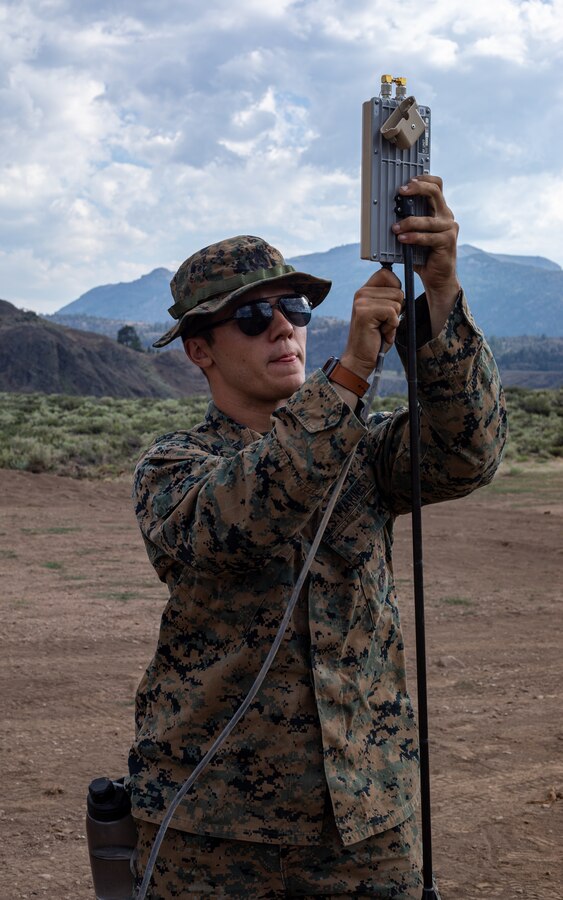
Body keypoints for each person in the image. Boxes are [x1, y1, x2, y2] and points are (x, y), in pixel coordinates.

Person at [127, 175, 507, 898]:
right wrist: (350, 374)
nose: (282, 326)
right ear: (199, 351)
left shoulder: (359, 451)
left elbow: (468, 451)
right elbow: (240, 521)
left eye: (294, 308)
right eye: (252, 316)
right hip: (213, 829)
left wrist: (441, 296)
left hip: (367, 820)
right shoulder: (174, 467)